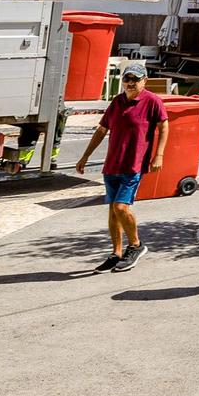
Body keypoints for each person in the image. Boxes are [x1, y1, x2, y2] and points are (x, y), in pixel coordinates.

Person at [73, 61, 166, 272]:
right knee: (113, 212)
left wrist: (158, 155)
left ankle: (136, 245)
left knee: (120, 207)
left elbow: (164, 126)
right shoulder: (117, 102)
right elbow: (101, 130)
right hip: (112, 164)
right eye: (127, 79)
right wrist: (85, 156)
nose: (130, 83)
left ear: (145, 81)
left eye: (135, 79)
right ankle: (116, 253)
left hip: (133, 165)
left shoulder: (152, 101)